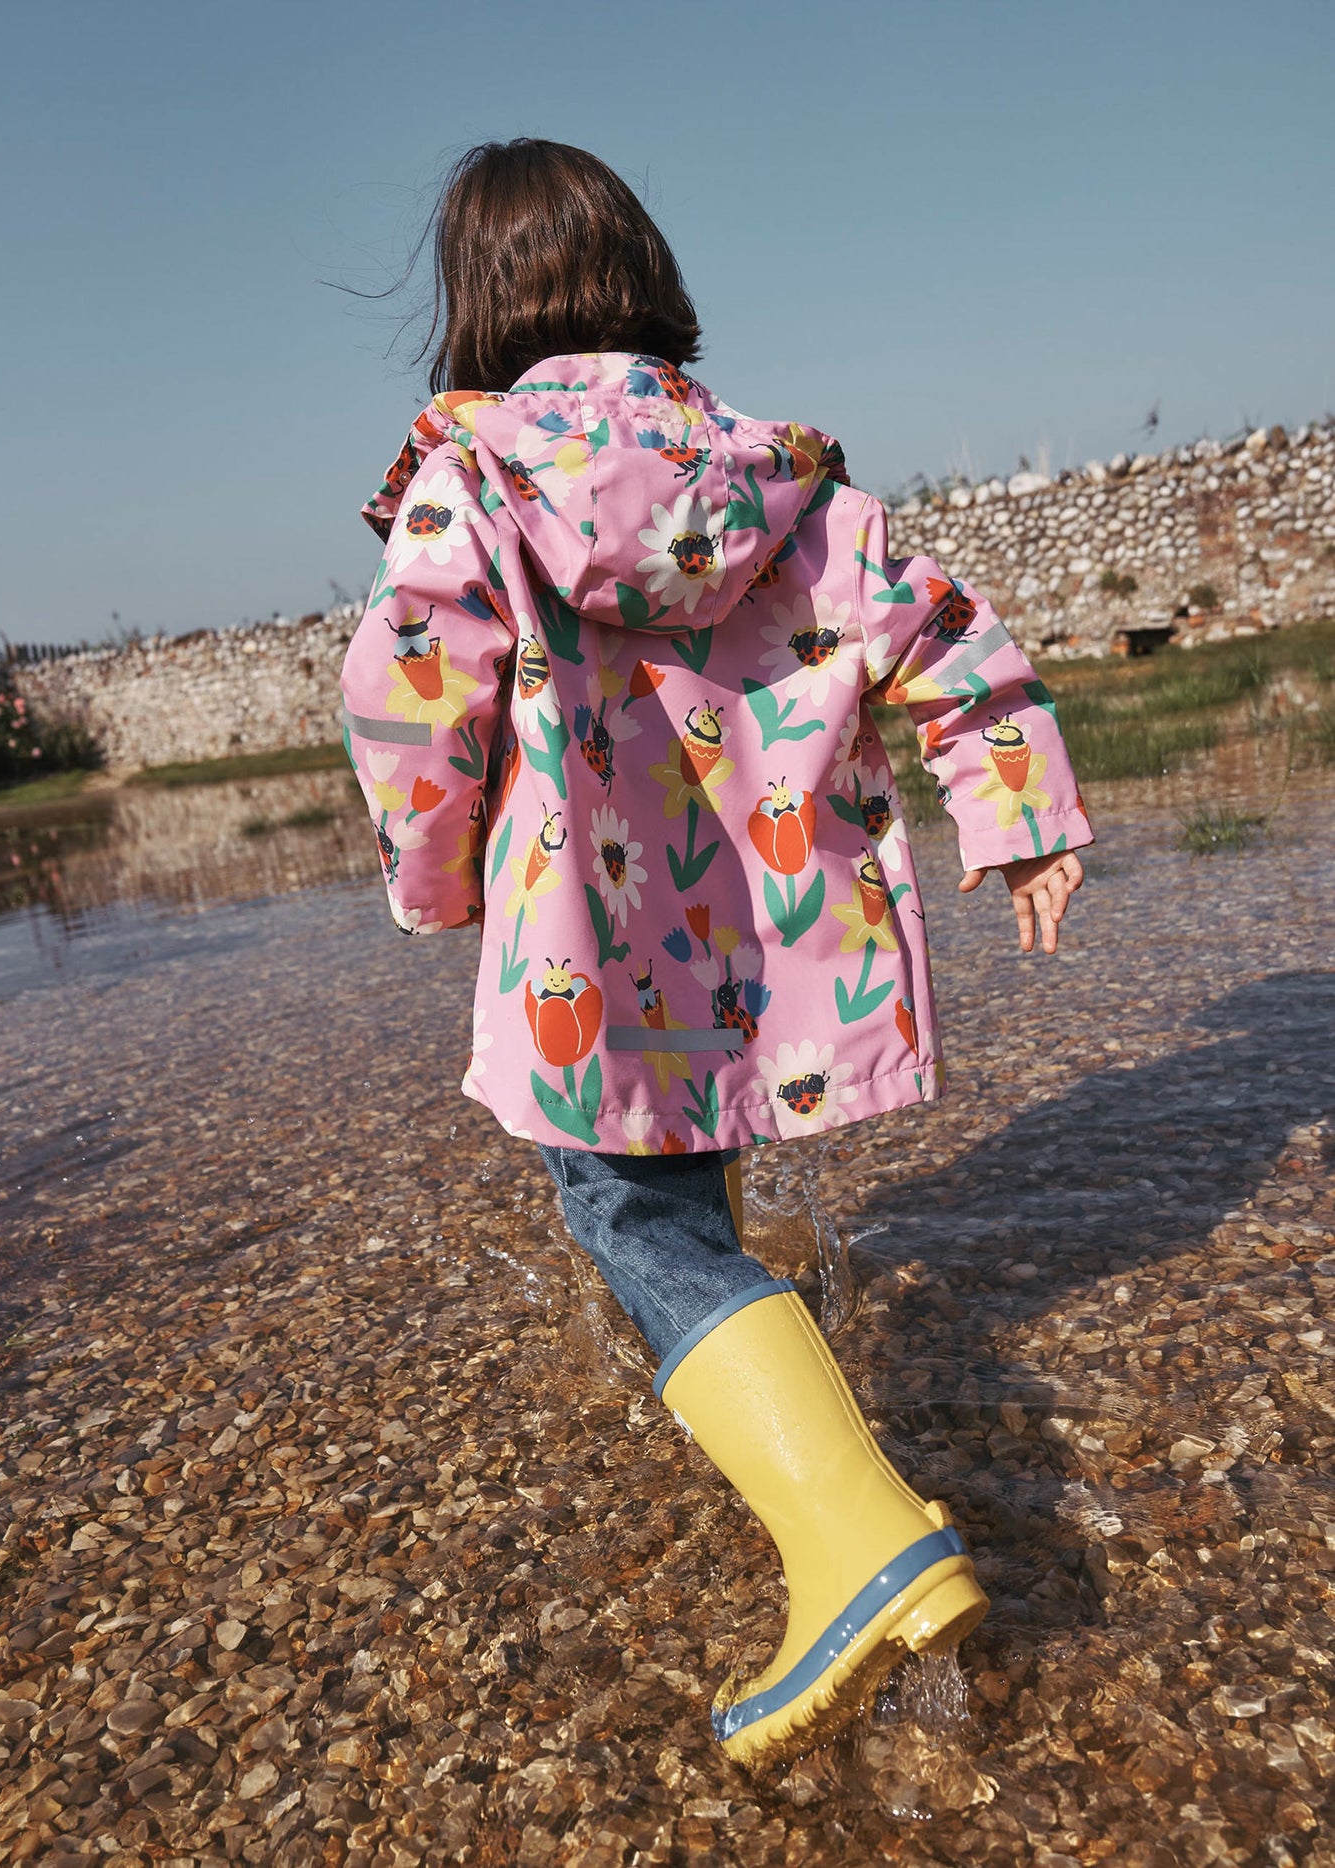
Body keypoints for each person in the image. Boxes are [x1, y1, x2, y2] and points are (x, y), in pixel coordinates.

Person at [341, 138, 1091, 1769]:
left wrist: (430, 876)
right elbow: (943, 632)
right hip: (770, 932)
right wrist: (1014, 802)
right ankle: (811, 1432)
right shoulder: (783, 481)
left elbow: (408, 697)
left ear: (478, 307)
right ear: (646, 278)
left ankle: (852, 1534)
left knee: (618, 1197)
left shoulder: (473, 475)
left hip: (591, 941)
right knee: (687, 1171)